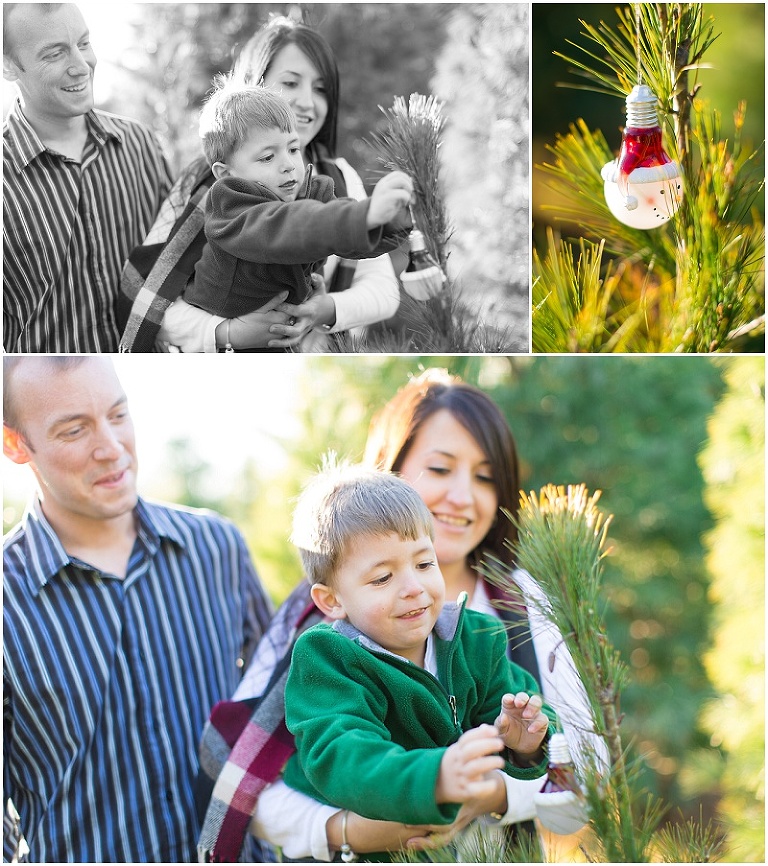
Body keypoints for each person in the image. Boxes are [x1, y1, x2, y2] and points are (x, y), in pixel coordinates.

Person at [197, 368, 607, 862]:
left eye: (484, 476)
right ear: (393, 468)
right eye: (440, 468)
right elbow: (249, 773)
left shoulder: (506, 615)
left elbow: (586, 760)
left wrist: (502, 782)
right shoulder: (321, 637)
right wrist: (346, 830)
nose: (462, 495)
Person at [2, 357, 273, 862]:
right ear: (16, 445)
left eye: (118, 415)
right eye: (74, 430)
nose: (111, 448)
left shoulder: (218, 548)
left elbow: (281, 717)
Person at [281, 463, 557, 861]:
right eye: (382, 579)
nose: (413, 589)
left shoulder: (476, 639)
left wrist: (526, 743)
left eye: (424, 565)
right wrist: (435, 778)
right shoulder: (328, 659)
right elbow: (342, 755)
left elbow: (522, 711)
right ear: (332, 600)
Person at [119, 16, 402, 352]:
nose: (308, 102)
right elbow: (150, 295)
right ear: (255, 84)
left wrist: (390, 223)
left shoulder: (331, 178)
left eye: (321, 88)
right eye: (291, 83)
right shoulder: (218, 191)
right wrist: (226, 332)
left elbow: (383, 290)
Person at [2, 3, 172, 353]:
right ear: (8, 65)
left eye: (83, 44)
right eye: (54, 54)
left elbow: (179, 261)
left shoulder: (140, 143)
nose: (81, 67)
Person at [186, 79, 411, 330]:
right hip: (223, 336)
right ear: (226, 174)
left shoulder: (313, 193)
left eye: (293, 149)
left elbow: (347, 238)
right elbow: (287, 225)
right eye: (268, 157)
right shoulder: (231, 205)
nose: (289, 165)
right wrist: (363, 214)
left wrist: (390, 221)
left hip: (283, 330)